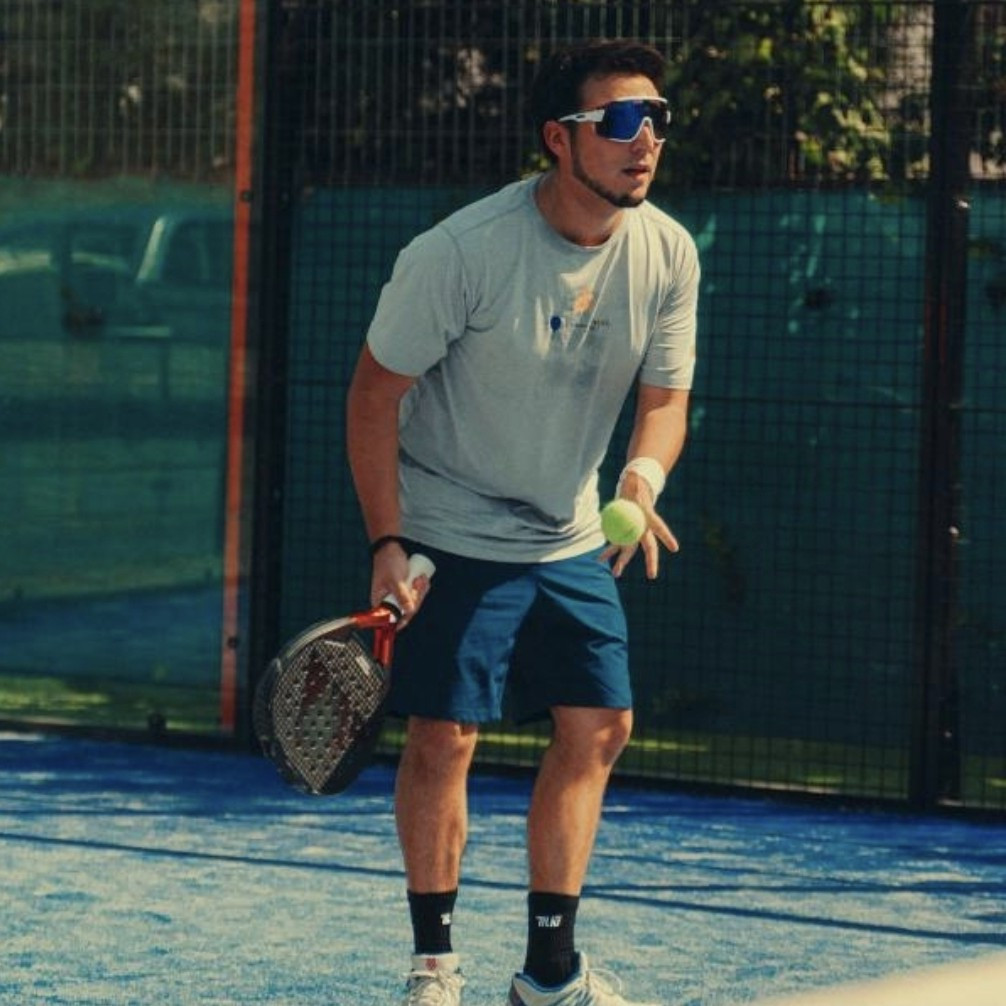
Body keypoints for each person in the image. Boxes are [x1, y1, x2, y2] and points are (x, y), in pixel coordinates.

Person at [346, 38, 699, 1006]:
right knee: (444, 736)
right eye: (620, 120)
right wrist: (388, 541)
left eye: (657, 119)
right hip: (449, 524)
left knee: (600, 727)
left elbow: (665, 399)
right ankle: (434, 966)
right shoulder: (460, 253)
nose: (644, 140)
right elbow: (373, 396)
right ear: (559, 138)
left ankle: (549, 971)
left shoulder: (668, 250)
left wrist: (641, 477)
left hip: (569, 531)